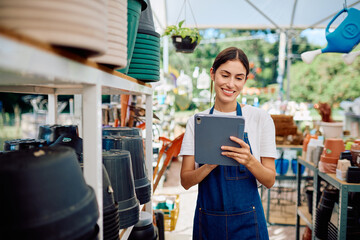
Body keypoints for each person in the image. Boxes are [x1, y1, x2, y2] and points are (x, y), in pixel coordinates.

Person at [179, 47, 277, 240]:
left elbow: (270, 180)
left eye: (239, 78)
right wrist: (209, 165)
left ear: (245, 80)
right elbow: (185, 181)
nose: (231, 84)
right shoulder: (197, 121)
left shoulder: (260, 119)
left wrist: (249, 161)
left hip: (248, 222)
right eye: (225, 75)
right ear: (213, 74)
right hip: (208, 221)